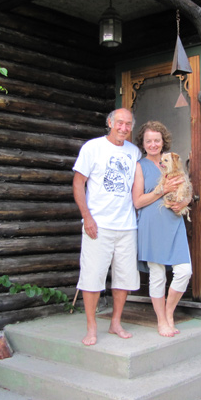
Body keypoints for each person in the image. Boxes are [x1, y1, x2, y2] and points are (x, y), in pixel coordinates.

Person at [72, 108, 142, 346]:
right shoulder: (92, 148)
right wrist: (87, 217)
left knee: (124, 278)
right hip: (98, 225)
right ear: (110, 123)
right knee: (92, 277)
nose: (124, 128)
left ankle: (115, 323)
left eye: (128, 124)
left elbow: (137, 189)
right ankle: (91, 327)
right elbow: (78, 184)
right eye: (120, 123)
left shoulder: (134, 152)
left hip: (127, 226)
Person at [132, 121, 192, 337]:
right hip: (151, 225)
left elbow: (185, 190)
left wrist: (184, 202)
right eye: (148, 141)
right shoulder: (140, 166)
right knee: (157, 275)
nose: (153, 144)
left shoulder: (173, 162)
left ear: (163, 141)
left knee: (184, 271)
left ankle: (169, 312)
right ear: (143, 143)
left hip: (174, 223)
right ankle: (161, 320)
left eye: (157, 140)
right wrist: (162, 189)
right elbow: (138, 201)